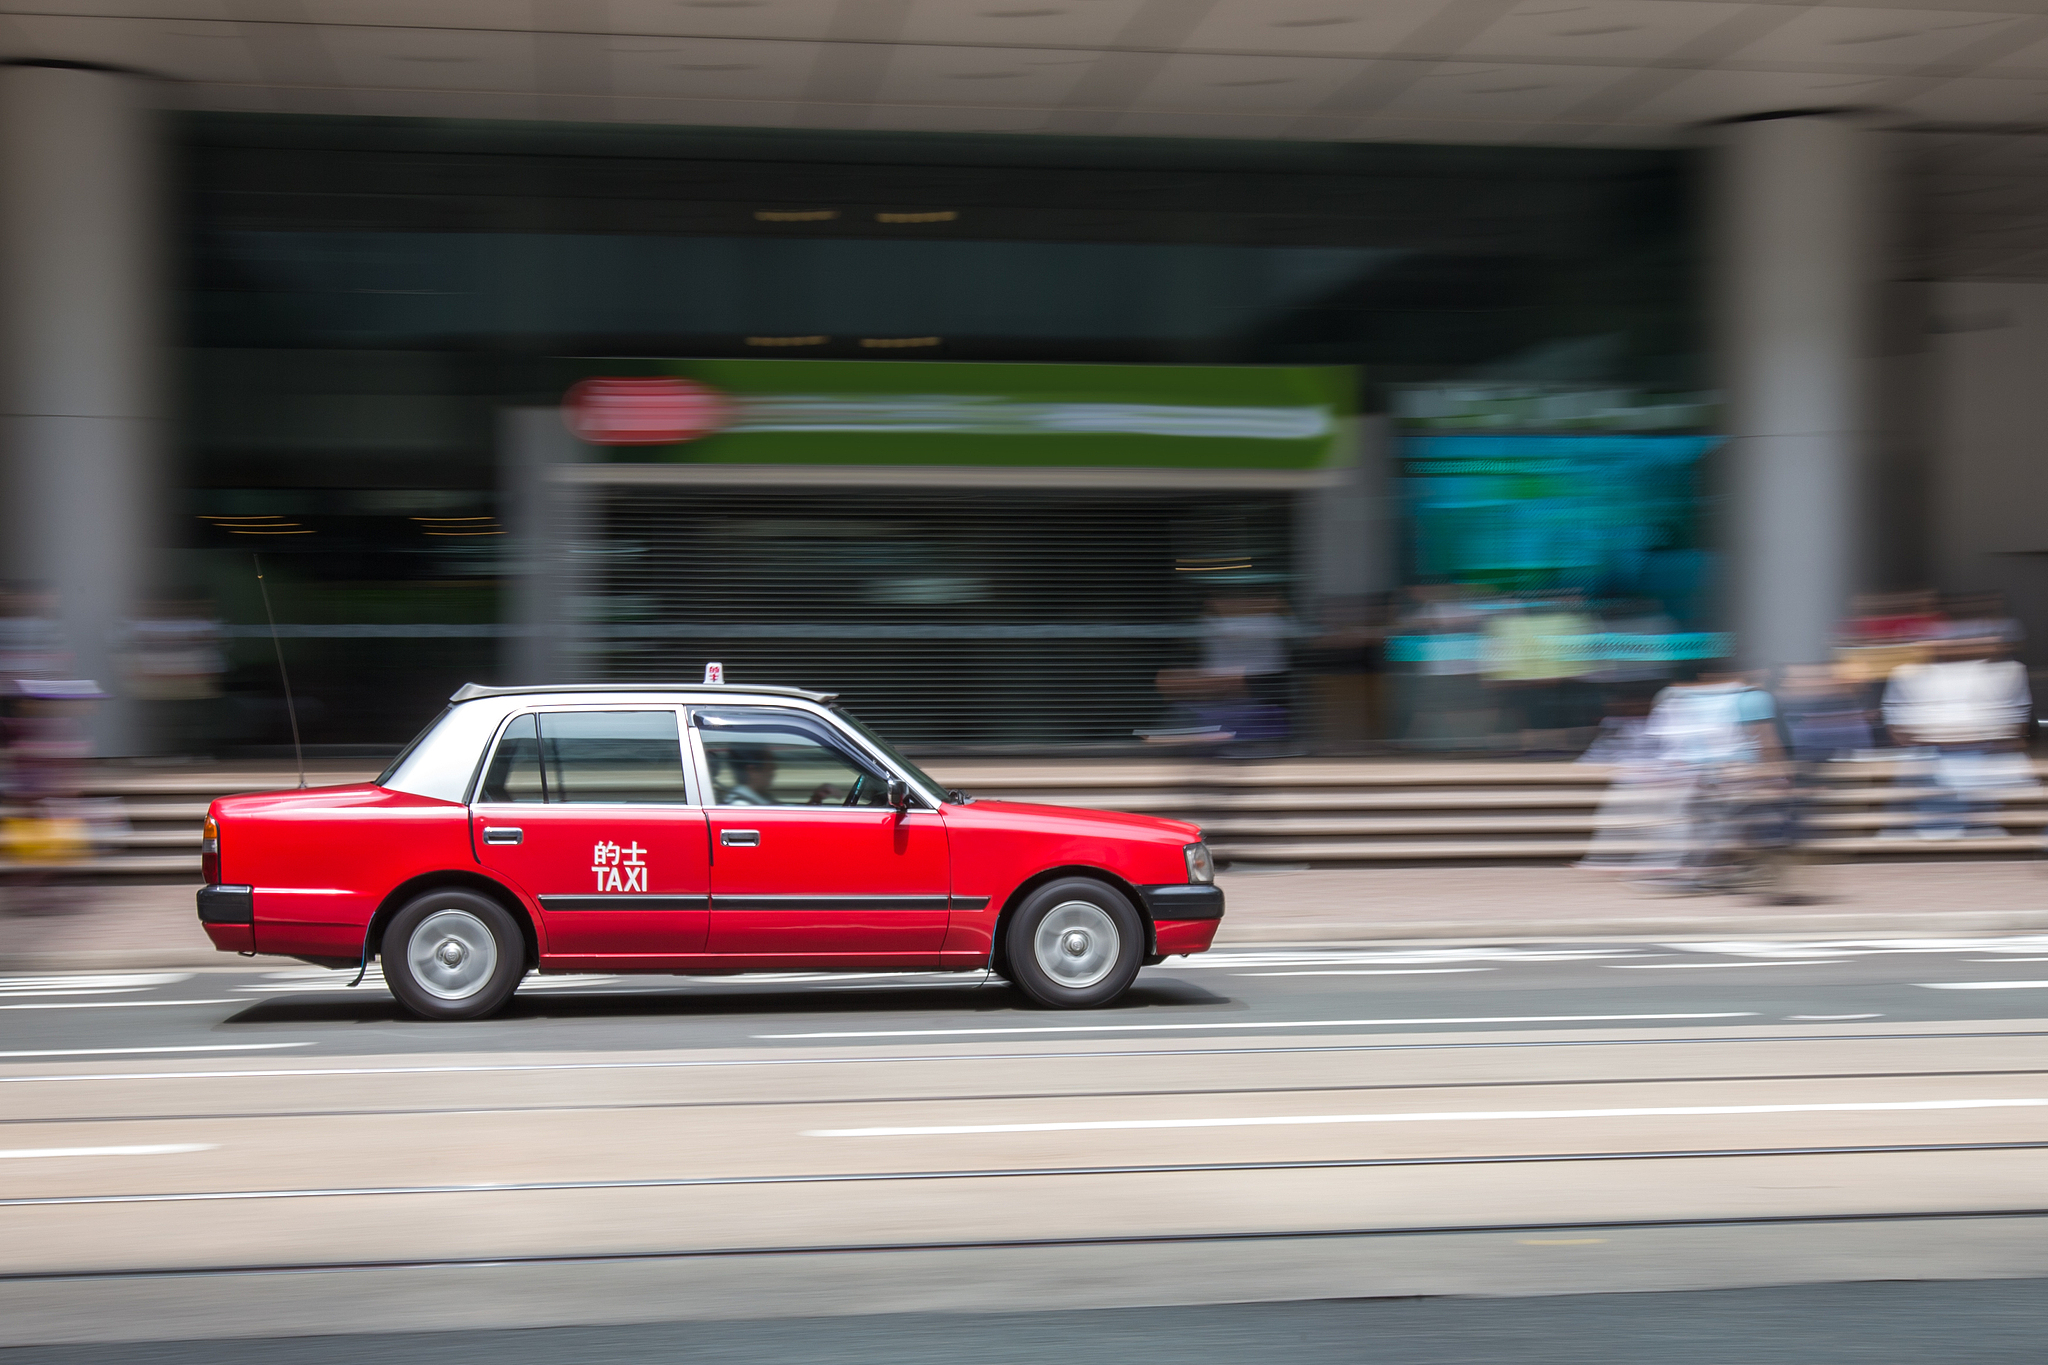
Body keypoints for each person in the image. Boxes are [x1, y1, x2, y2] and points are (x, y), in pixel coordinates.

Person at [1881, 635, 2033, 838]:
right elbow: (1898, 729)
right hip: (1932, 757)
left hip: (1986, 755)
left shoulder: (2010, 671)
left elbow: (2017, 727)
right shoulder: (1908, 673)